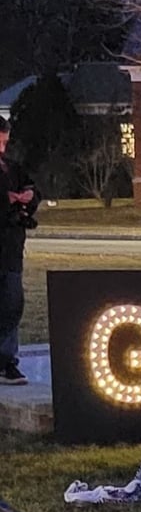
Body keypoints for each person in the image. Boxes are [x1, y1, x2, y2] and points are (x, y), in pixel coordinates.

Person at [0, 116, 39, 386]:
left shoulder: (12, 167)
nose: (3, 147)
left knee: (12, 305)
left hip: (11, 250)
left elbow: (32, 187)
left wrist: (29, 197)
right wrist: (6, 200)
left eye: (5, 142)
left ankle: (6, 361)